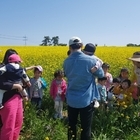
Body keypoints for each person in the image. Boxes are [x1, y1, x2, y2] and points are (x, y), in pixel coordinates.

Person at [63, 36, 104, 140]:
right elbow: (101, 74)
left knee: (71, 125)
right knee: (86, 127)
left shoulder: (66, 61)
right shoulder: (91, 60)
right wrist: (98, 64)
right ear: (81, 45)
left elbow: (67, 74)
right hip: (86, 99)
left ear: (69, 47)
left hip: (71, 99)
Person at [0, 49, 36, 140]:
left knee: (18, 123)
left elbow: (23, 74)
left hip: (18, 98)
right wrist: (16, 86)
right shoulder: (3, 68)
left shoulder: (18, 69)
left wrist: (25, 86)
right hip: (7, 99)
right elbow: (1, 84)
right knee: (9, 126)